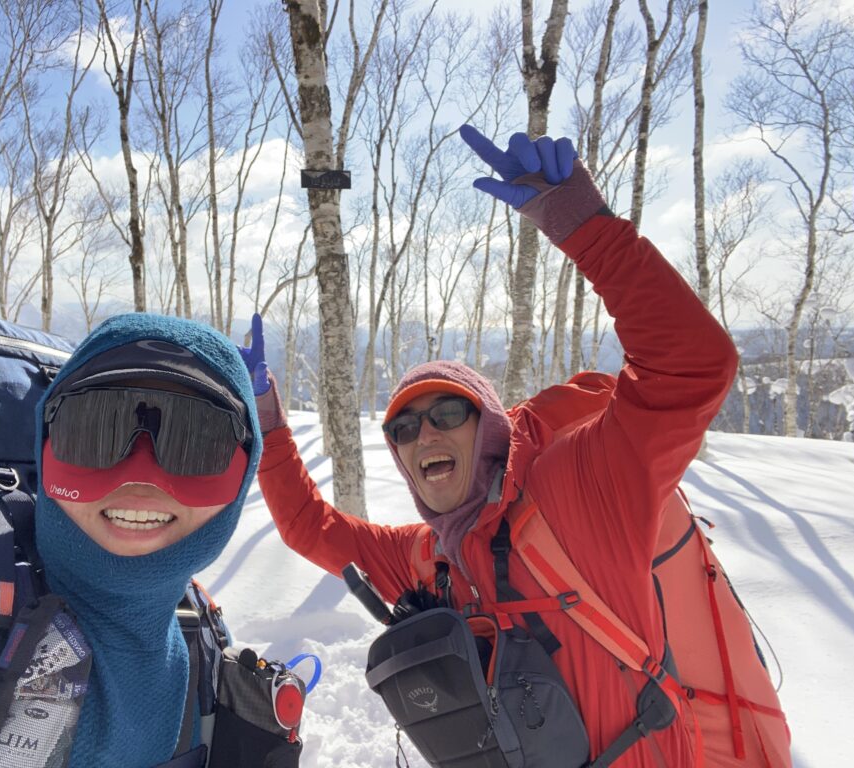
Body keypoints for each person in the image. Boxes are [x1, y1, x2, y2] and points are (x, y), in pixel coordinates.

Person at [243, 126, 738, 766]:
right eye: (404, 428)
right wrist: (268, 422)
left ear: (493, 429)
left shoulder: (583, 490)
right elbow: (309, 526)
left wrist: (583, 225)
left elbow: (692, 367)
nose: (425, 434)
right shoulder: (429, 559)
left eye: (448, 412)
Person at [0, 312, 262, 767]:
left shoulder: (205, 643)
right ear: (44, 448)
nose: (140, 480)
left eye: (198, 441)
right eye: (94, 431)